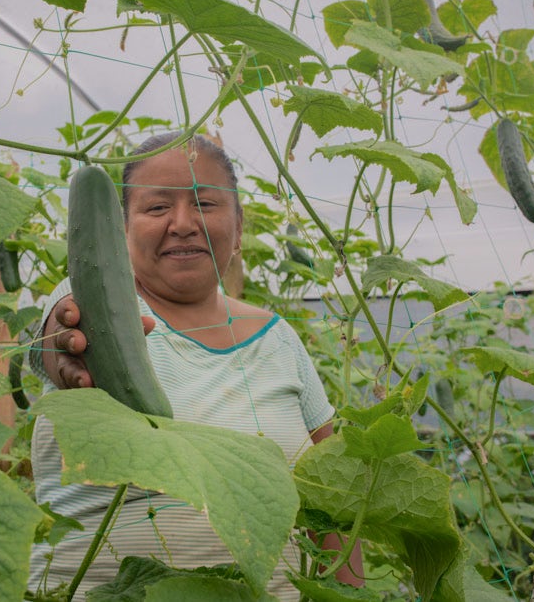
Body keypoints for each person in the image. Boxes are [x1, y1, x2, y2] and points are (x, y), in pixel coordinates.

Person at [26, 131, 363, 598]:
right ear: (119, 228)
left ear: (239, 226)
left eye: (204, 204)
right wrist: (64, 344)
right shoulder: (92, 307)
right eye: (157, 207)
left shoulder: (279, 338)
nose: (182, 223)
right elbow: (61, 332)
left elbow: (335, 506)